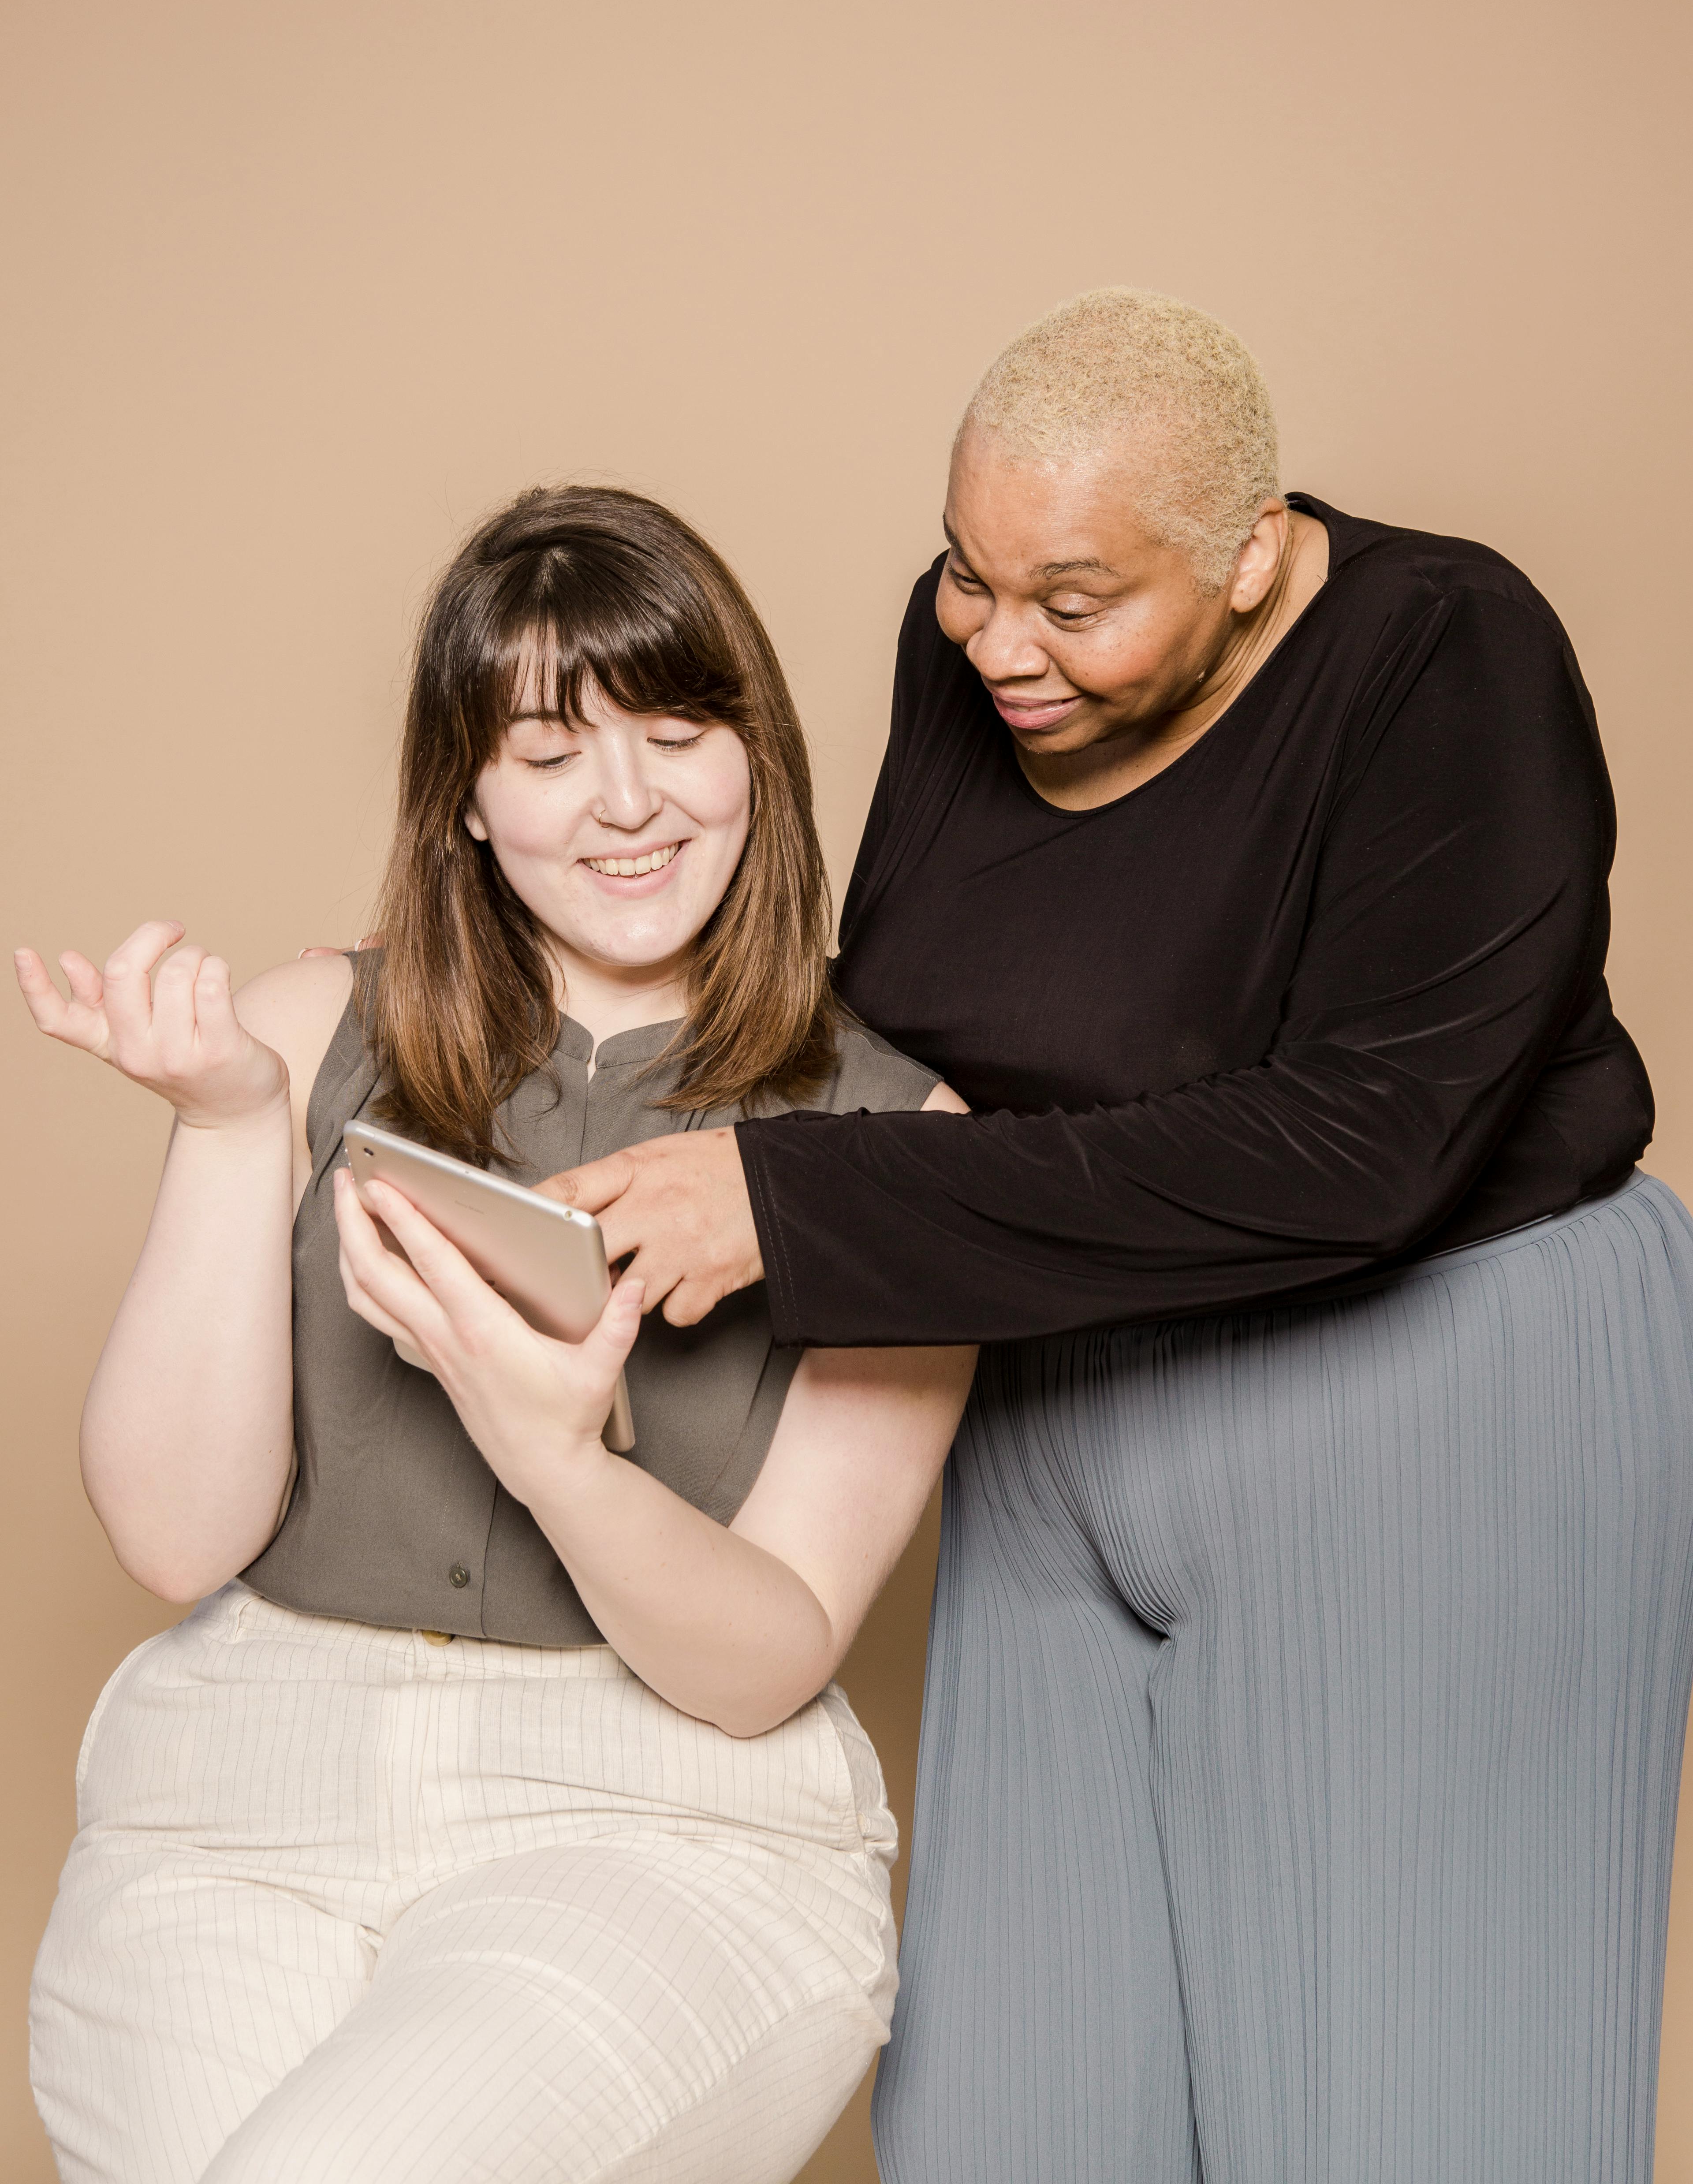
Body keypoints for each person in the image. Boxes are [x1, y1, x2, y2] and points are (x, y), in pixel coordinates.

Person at [554, 291, 1693, 2184]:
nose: (1004, 644)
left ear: (1251, 560)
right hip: (1059, 1383)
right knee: (1013, 2124)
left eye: (1075, 601)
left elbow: (1363, 1151)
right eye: (966, 579)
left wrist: (791, 1199)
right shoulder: (990, 658)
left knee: (1403, 2129)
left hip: (1434, 1387)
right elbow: (928, 1020)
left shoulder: (1445, 650)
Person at [19, 485, 974, 2184]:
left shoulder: (900, 1135)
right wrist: (231, 1130)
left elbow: (765, 1656)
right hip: (236, 1799)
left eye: (679, 732)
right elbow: (176, 1535)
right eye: (547, 755)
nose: (627, 803)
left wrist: (550, 1451)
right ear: (464, 796)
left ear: (756, 756)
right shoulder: (307, 1028)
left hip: (660, 1820)